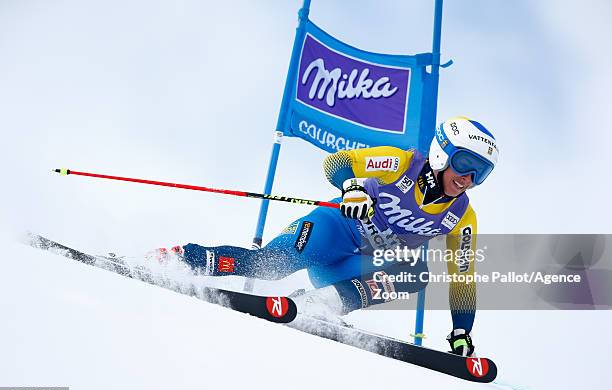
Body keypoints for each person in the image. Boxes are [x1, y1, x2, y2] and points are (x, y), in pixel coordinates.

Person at [162, 116, 499, 357]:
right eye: (465, 163)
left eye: (479, 172)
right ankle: (180, 258)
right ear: (442, 152)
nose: (468, 177)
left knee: (417, 273)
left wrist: (461, 332)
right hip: (329, 230)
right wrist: (353, 187)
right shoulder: (401, 163)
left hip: (349, 268)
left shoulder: (462, 217)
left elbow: (463, 279)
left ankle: (321, 303)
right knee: (268, 266)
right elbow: (337, 162)